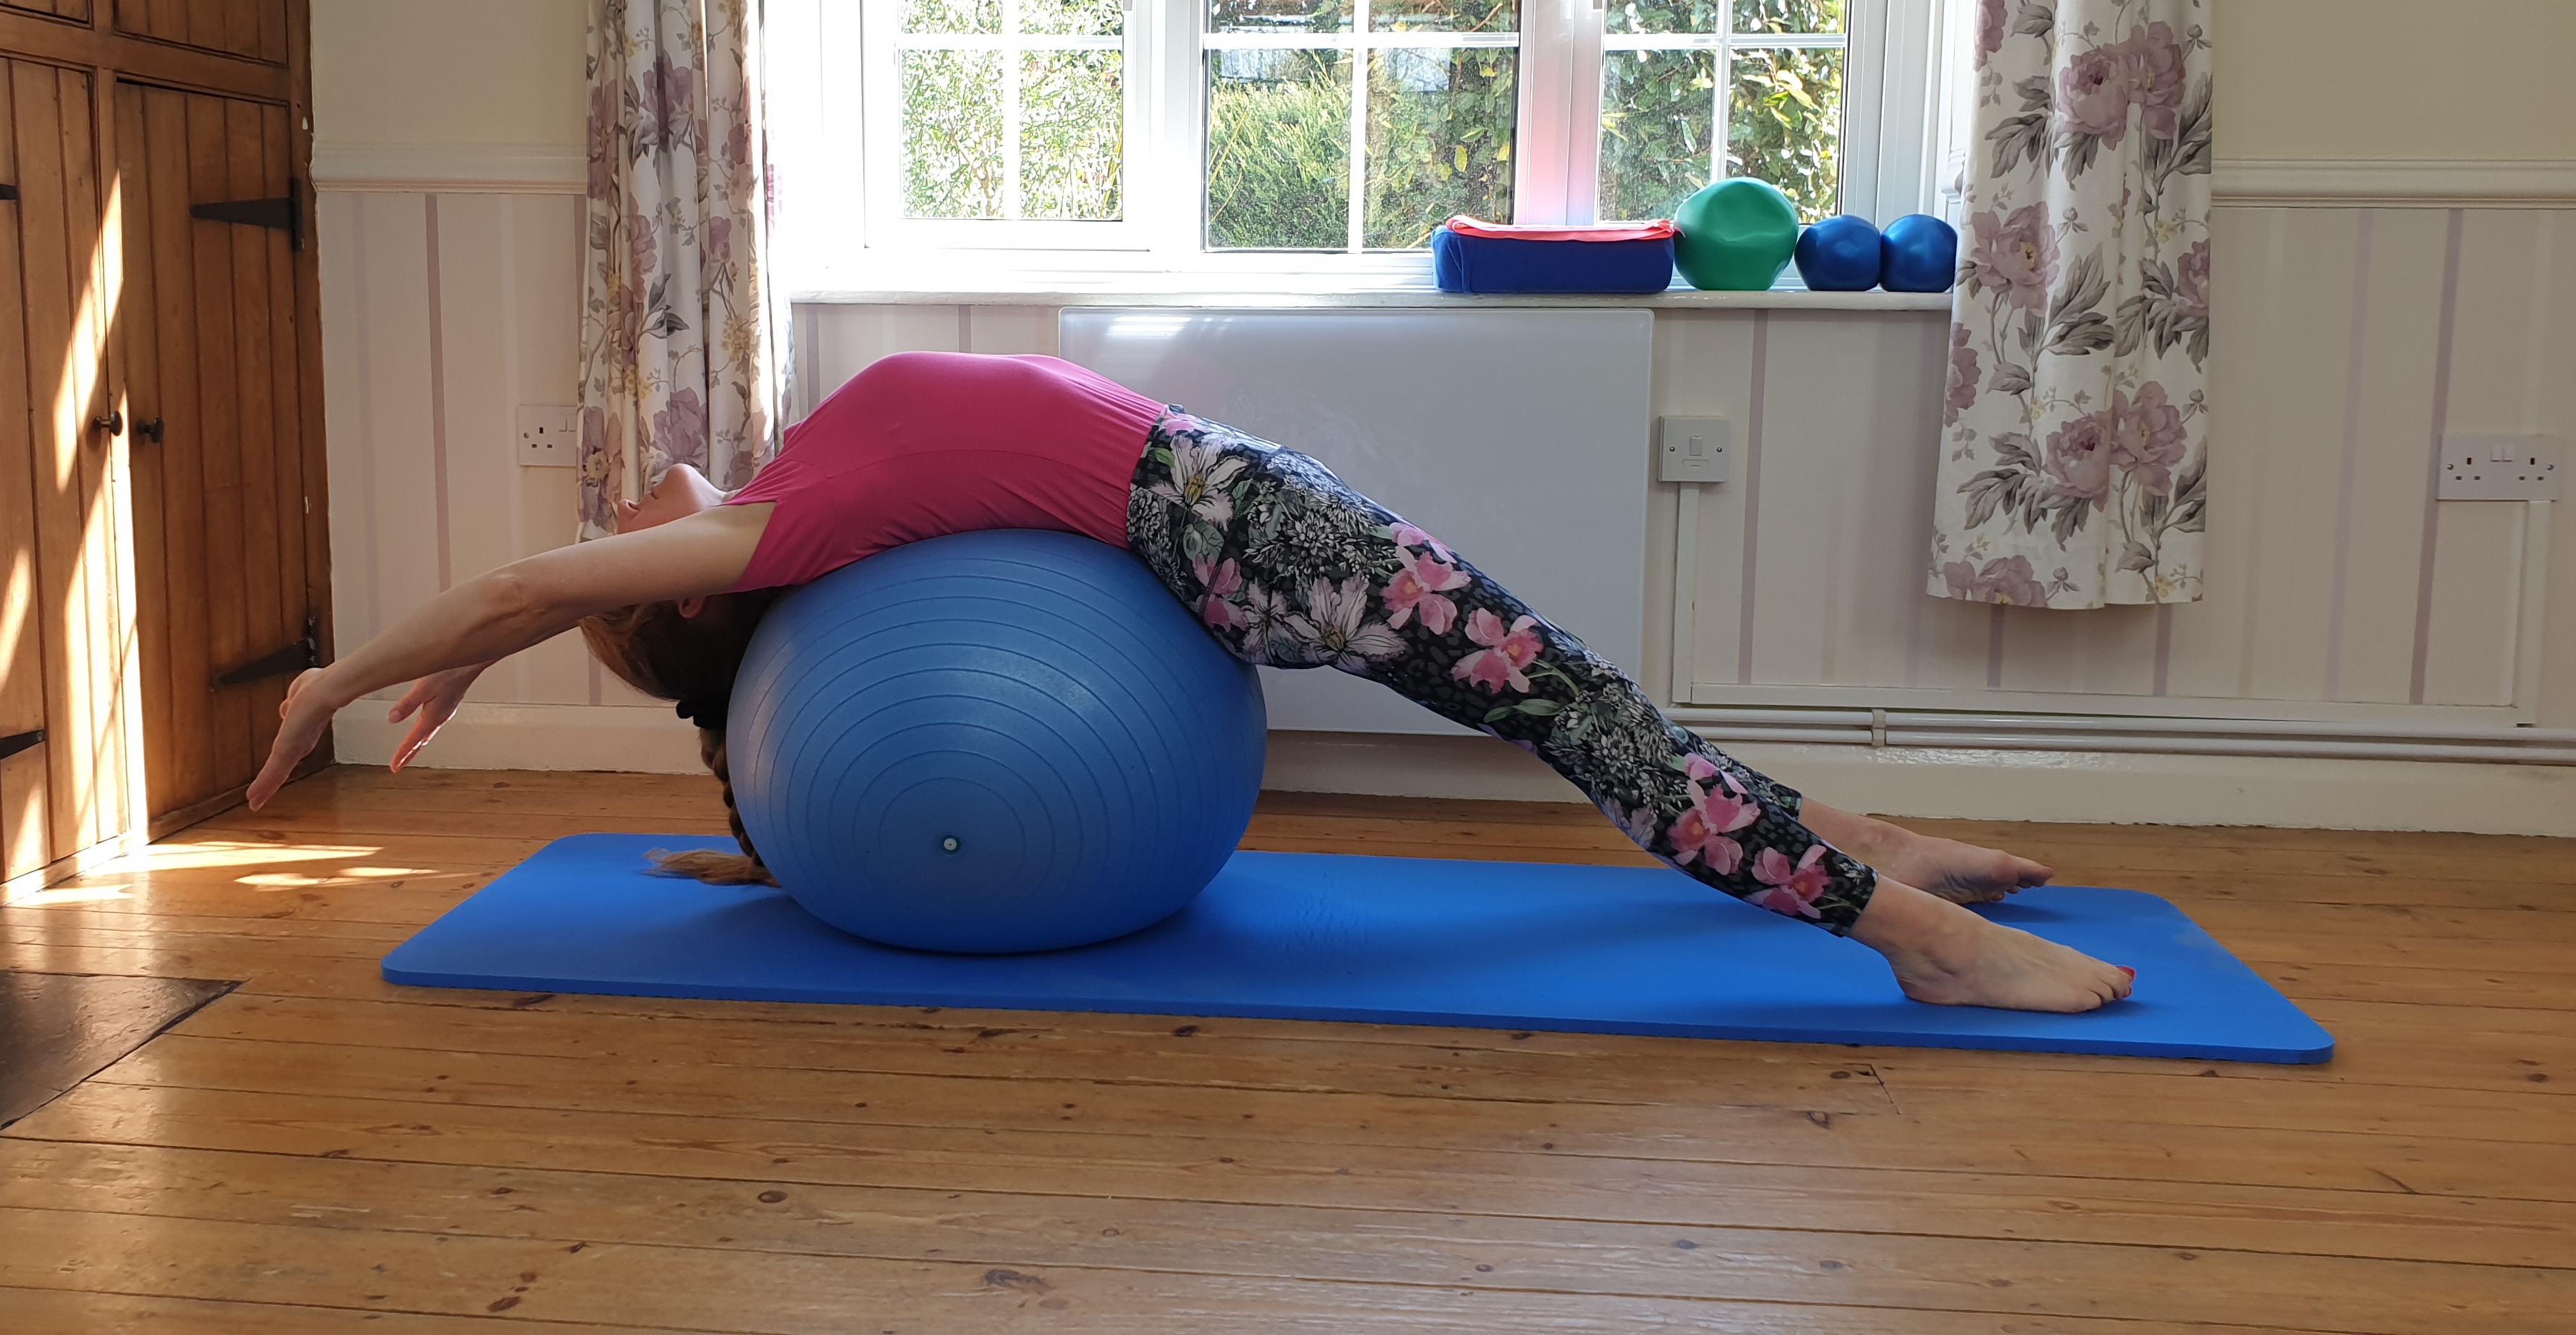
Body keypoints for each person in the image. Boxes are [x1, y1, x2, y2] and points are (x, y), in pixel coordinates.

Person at [250, 352, 2135, 1013]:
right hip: (1248, 531)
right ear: (678, 595)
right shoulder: (772, 530)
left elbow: (538, 599)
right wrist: (342, 676)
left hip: (1244, 508)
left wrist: (477, 661)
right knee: (1583, 721)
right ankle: (1911, 936)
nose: (614, 506)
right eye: (614, 544)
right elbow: (534, 581)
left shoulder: (790, 490)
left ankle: (1869, 849)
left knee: (1588, 707)